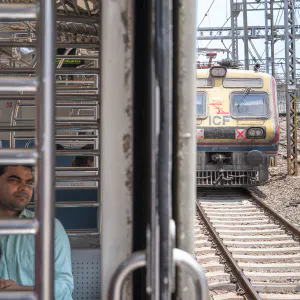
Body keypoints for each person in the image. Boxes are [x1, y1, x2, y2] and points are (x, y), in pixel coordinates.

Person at [0, 165, 74, 299]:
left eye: (29, 182)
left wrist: (21, 291)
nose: (24, 188)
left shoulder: (49, 228)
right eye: (14, 180)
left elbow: (63, 287)